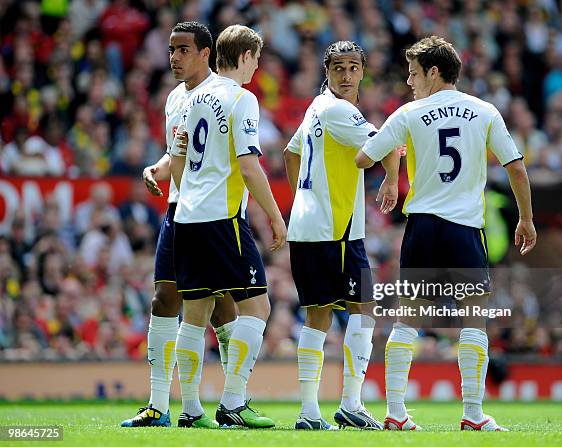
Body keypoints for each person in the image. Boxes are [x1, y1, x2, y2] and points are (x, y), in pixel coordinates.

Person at [356, 36, 537, 432]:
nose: (409, 80)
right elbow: (517, 168)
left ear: (434, 72)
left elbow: (362, 156)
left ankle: (395, 413)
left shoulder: (409, 113)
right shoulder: (485, 111)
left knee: (408, 319)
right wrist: (526, 218)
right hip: (464, 230)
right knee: (475, 320)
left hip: (422, 227)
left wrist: (391, 169)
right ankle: (473, 414)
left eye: (414, 73)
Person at [169, 24, 287, 429]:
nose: (257, 66)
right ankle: (233, 402)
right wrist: (274, 215)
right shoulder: (242, 99)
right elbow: (249, 166)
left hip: (186, 216)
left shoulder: (192, 97)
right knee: (258, 305)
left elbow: (177, 157)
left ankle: (189, 410)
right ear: (244, 57)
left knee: (195, 313)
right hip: (221, 218)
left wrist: (190, 197)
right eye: (256, 58)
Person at [121, 21, 237, 429]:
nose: (174, 57)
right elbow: (179, 153)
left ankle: (231, 401)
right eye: (171, 50)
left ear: (206, 53)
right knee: (163, 299)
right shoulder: (174, 98)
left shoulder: (223, 96)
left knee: (222, 309)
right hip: (178, 211)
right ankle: (158, 404)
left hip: (213, 217)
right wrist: (158, 167)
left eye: (183, 49)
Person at [284, 41, 400, 430]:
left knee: (318, 316)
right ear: (327, 71)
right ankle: (350, 402)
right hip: (336, 230)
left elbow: (289, 153)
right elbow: (385, 145)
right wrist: (391, 178)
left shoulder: (315, 108)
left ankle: (310, 412)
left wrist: (303, 195)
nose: (346, 75)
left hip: (311, 226)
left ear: (363, 72)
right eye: (339, 68)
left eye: (353, 67)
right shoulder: (339, 110)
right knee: (363, 311)